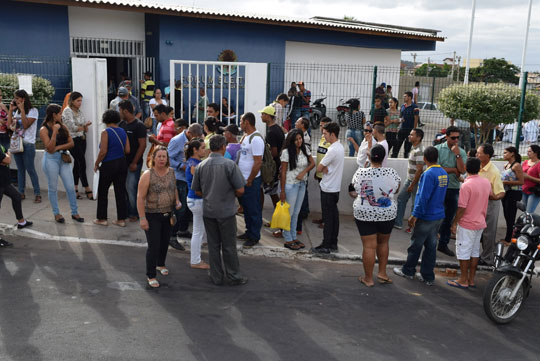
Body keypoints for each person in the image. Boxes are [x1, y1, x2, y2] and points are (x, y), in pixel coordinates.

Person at [192, 135, 247, 286]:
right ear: (223, 147)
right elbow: (241, 190)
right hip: (226, 211)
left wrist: (210, 194)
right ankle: (234, 276)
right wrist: (229, 194)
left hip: (209, 211)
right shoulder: (229, 165)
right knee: (229, 246)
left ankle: (216, 276)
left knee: (213, 245)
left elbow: (196, 191)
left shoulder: (201, 166)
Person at [393, 146, 447, 286]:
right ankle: (427, 275)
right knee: (430, 246)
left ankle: (408, 270)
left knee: (416, 245)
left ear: (424, 159)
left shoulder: (428, 174)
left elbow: (423, 197)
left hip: (427, 215)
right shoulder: (443, 172)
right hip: (438, 215)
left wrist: (414, 215)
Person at [352, 145, 400, 286]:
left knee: (369, 246)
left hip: (364, 213)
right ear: (384, 157)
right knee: (383, 242)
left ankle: (368, 278)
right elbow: (396, 189)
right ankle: (382, 273)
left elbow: (353, 190)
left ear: (369, 157)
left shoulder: (360, 172)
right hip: (387, 214)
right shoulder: (392, 172)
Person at [137, 146, 180, 288]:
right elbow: (140, 197)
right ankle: (151, 275)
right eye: (159, 156)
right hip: (152, 215)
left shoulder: (171, 172)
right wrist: (142, 218)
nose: (162, 159)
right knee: (154, 245)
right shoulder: (148, 174)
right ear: (153, 158)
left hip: (168, 213)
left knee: (164, 242)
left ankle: (160, 264)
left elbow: (174, 188)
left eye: (164, 156)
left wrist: (177, 201)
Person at [448, 157, 491, 289]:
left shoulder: (466, 185)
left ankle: (463, 279)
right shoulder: (486, 182)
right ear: (479, 169)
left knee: (463, 252)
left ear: (466, 168)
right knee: (474, 252)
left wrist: (454, 222)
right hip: (480, 223)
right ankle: (470, 279)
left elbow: (462, 207)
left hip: (467, 223)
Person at [39, 104, 84, 223]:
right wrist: (54, 132)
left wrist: (58, 147)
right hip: (51, 159)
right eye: (60, 113)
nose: (62, 115)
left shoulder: (63, 126)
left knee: (70, 186)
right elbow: (49, 148)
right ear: (54, 115)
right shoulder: (44, 129)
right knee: (53, 187)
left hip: (64, 158)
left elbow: (71, 143)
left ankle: (75, 212)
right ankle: (56, 213)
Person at [168, 123, 204, 249]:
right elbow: (168, 158)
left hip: (188, 178)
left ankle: (182, 230)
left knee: (187, 209)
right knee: (179, 208)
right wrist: (181, 166)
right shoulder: (177, 141)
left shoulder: (192, 141)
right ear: (189, 133)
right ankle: (172, 237)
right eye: (195, 137)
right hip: (179, 178)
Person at [279, 129, 315, 249]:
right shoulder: (286, 152)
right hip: (290, 185)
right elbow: (283, 172)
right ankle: (287, 239)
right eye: (296, 140)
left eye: (300, 139)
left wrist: (303, 173)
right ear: (291, 141)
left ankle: (293, 237)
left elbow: (312, 163)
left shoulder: (305, 149)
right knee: (289, 213)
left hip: (301, 184)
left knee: (296, 213)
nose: (299, 141)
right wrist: (282, 191)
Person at [93, 110, 130, 227]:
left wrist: (97, 163)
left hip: (109, 164)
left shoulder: (106, 132)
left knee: (103, 191)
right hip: (122, 163)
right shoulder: (123, 131)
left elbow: (103, 151)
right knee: (120, 191)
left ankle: (102, 218)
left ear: (105, 119)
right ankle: (121, 219)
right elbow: (127, 150)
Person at [312, 122, 344, 254]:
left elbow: (319, 167)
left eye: (325, 133)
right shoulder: (339, 147)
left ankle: (326, 245)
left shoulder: (332, 149)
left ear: (332, 134)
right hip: (334, 187)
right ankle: (333, 243)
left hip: (328, 188)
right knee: (334, 218)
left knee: (328, 218)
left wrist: (323, 168)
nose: (323, 136)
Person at [435, 126, 467, 257]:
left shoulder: (461, 152)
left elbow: (463, 170)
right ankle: (430, 243)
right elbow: (436, 168)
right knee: (436, 216)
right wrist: (453, 170)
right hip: (439, 187)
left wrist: (457, 155)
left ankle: (443, 244)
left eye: (458, 138)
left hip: (453, 188)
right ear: (446, 137)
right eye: (453, 138)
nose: (456, 140)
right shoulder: (437, 149)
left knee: (448, 218)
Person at [7, 89, 41, 203]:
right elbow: (9, 125)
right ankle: (21, 192)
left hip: (28, 144)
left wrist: (22, 110)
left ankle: (37, 193)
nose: (15, 100)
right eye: (14, 98)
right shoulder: (16, 112)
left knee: (30, 169)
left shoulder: (33, 111)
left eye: (17, 98)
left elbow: (25, 125)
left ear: (23, 98)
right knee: (20, 170)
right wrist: (11, 111)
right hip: (17, 143)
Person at [238, 112, 264, 248]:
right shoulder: (246, 137)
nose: (240, 123)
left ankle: (254, 236)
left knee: (253, 209)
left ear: (247, 122)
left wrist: (250, 179)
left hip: (251, 181)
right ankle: (248, 232)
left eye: (241, 121)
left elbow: (258, 162)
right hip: (242, 179)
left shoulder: (256, 139)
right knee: (246, 208)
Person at [477, 143, 505, 266]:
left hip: (490, 204)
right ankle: (477, 256)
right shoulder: (477, 166)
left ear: (487, 156)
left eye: (479, 153)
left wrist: (493, 196)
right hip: (477, 203)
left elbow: (501, 193)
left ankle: (487, 258)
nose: (477, 154)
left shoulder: (494, 171)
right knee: (476, 231)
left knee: (488, 232)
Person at [119, 100, 147, 222]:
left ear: (125, 111)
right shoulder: (121, 124)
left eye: (120, 110)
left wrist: (134, 163)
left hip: (133, 163)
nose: (119, 113)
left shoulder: (139, 125)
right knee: (123, 187)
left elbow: (142, 145)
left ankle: (134, 213)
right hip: (122, 163)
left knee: (131, 188)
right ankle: (126, 211)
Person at [184, 139, 210, 269]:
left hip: (194, 199)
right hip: (196, 199)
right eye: (203, 148)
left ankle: (203, 245)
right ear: (195, 150)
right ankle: (195, 260)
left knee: (199, 230)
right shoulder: (195, 165)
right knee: (197, 231)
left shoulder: (193, 162)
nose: (205, 150)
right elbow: (197, 187)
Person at [63, 92, 93, 200]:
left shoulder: (79, 111)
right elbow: (72, 127)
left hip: (82, 139)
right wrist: (84, 126)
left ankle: (75, 188)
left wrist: (84, 127)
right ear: (72, 101)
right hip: (73, 140)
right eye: (78, 101)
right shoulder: (67, 111)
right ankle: (87, 187)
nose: (80, 103)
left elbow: (82, 126)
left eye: (81, 101)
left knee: (78, 164)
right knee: (82, 162)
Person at [0, 144, 32, 245]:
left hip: (4, 181)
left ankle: (21, 222)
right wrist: (6, 155)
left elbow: (5, 159)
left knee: (17, 197)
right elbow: (7, 160)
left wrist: (5, 156)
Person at [394, 129, 425, 230]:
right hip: (410, 180)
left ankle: (412, 227)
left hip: (415, 181)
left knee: (414, 203)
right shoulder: (414, 148)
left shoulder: (419, 151)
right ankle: (398, 223)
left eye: (412, 135)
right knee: (402, 199)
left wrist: (412, 184)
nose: (409, 136)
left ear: (418, 137)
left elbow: (419, 170)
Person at [260, 105, 284, 207]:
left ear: (268, 116)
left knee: (272, 193)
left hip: (272, 167)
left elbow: (274, 152)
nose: (261, 116)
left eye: (263, 114)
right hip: (277, 164)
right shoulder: (278, 128)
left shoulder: (271, 132)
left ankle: (278, 218)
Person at [500, 146, 524, 245]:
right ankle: (509, 236)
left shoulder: (516, 166)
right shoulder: (507, 165)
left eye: (506, 153)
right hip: (506, 192)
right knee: (506, 215)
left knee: (510, 216)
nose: (504, 155)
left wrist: (505, 182)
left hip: (514, 193)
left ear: (512, 153)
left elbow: (521, 181)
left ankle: (509, 239)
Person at [312, 117, 332, 226]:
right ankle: (324, 218)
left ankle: (327, 221)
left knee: (328, 201)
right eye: (320, 126)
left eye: (323, 126)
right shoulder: (322, 138)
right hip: (320, 174)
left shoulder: (331, 141)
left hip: (326, 175)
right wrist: (317, 172)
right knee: (323, 199)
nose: (321, 128)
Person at [392, 91, 419, 158]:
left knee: (407, 148)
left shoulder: (414, 107)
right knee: (397, 145)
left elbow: (416, 118)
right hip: (402, 129)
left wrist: (414, 129)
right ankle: (393, 158)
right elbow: (400, 116)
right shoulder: (402, 106)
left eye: (405, 96)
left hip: (410, 130)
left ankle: (406, 160)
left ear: (410, 97)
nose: (404, 98)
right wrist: (400, 121)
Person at [522, 145, 540, 214]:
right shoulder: (525, 162)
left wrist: (529, 177)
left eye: (530, 151)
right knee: (525, 212)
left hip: (534, 191)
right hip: (524, 189)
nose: (527, 153)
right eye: (527, 151)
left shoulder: (539, 164)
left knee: (529, 212)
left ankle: (529, 224)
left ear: (535, 153)